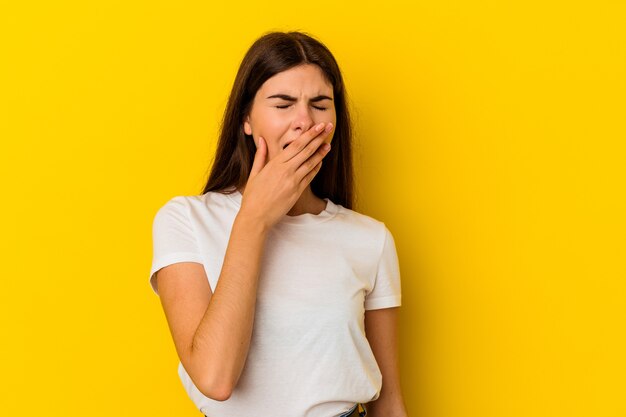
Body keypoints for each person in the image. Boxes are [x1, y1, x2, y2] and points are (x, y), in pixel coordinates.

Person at [149, 31, 408, 417]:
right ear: (246, 121)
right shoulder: (185, 220)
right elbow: (215, 378)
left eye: (320, 105)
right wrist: (253, 219)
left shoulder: (370, 239)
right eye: (283, 104)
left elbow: (387, 402)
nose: (304, 122)